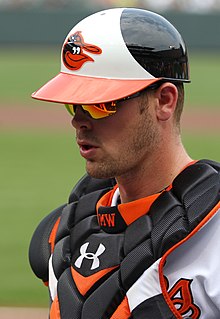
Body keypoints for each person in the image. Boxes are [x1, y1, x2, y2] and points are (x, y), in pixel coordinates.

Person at [29, 7, 220, 319]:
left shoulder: (213, 237)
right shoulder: (60, 238)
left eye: (101, 104)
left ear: (164, 101)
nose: (79, 121)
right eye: (74, 103)